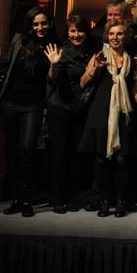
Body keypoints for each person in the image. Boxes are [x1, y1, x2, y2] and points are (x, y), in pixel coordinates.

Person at [78, 19, 137, 217]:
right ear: (107, 36)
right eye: (111, 34)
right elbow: (82, 82)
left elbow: (135, 89)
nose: (115, 37)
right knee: (101, 160)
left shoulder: (130, 60)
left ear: (126, 37)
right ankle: (104, 201)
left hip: (123, 114)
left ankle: (121, 201)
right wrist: (95, 68)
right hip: (101, 113)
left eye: (119, 33)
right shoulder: (100, 56)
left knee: (122, 160)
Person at [0, 6, 57, 217]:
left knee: (27, 150)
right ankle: (16, 198)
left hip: (33, 104)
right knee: (13, 151)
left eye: (43, 23)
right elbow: (1, 66)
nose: (40, 27)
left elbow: (52, 81)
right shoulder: (19, 41)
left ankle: (27, 200)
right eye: (36, 24)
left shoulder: (53, 45)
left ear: (49, 24)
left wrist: (54, 64)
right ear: (30, 26)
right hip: (10, 102)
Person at [45, 14, 98, 213]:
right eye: (73, 31)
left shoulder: (92, 51)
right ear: (68, 33)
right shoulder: (62, 52)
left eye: (80, 30)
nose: (76, 35)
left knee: (77, 154)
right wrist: (53, 64)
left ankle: (73, 197)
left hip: (80, 107)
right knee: (60, 153)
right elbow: (52, 80)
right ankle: (58, 199)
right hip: (60, 107)